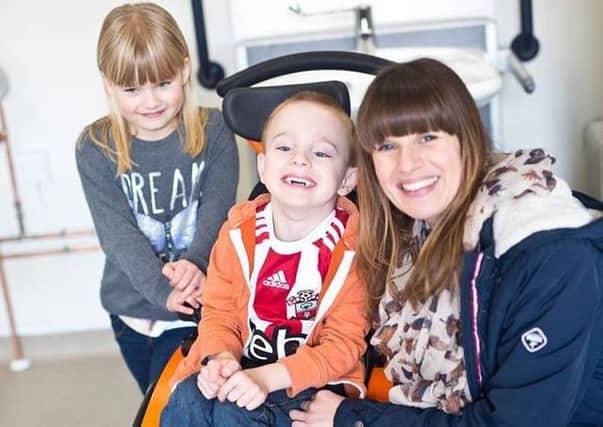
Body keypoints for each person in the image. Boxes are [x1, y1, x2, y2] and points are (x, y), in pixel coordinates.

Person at [289, 59, 603, 426]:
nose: (408, 164)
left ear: (465, 138)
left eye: (427, 137)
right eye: (388, 146)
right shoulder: (414, 236)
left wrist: (355, 419)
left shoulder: (550, 258)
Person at [160, 91, 370, 426]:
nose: (300, 160)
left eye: (320, 152)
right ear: (263, 165)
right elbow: (219, 313)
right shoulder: (237, 235)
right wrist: (222, 357)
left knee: (234, 411)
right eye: (285, 148)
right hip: (242, 362)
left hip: (308, 382)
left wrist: (268, 378)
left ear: (346, 180)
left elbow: (342, 346)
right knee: (189, 396)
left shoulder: (353, 251)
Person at [75, 3, 239, 394]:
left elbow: (218, 214)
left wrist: (197, 263)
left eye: (163, 83)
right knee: (153, 401)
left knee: (186, 406)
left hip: (202, 309)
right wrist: (163, 291)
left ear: (183, 69)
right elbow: (117, 237)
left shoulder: (215, 131)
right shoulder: (95, 148)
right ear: (108, 84)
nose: (150, 101)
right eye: (132, 89)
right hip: (132, 314)